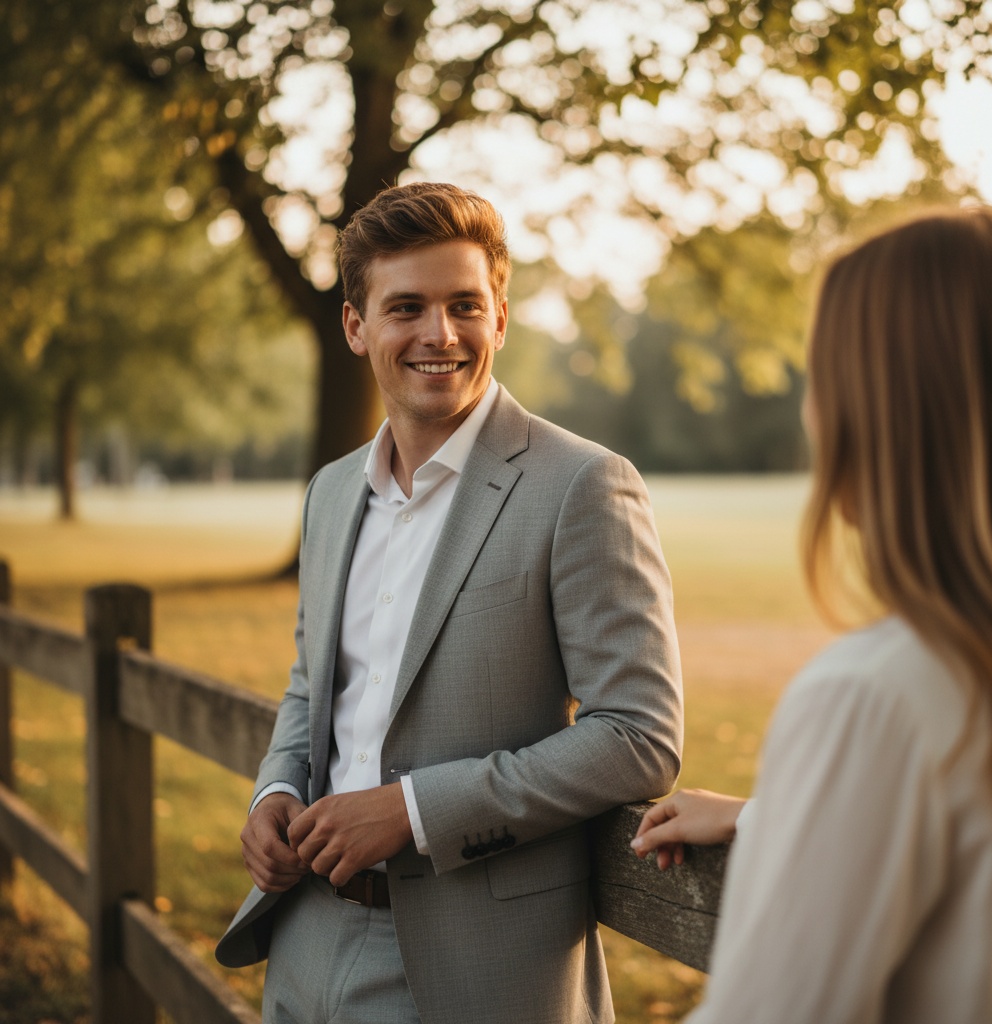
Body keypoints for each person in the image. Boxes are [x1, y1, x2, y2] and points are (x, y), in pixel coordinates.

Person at [215, 181, 685, 1024]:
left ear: (499, 317)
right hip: (301, 933)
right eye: (407, 308)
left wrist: (415, 811)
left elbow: (638, 735)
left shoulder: (582, 485)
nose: (440, 334)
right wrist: (273, 791)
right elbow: (313, 684)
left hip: (477, 964)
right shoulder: (329, 493)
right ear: (357, 328)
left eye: (465, 305)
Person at [631, 206, 992, 1023]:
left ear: (879, 415)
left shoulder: (876, 695)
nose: (812, 414)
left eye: (825, 379)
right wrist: (773, 817)